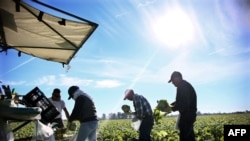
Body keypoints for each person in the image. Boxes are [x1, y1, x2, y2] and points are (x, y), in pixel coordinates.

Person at [168, 71, 197, 141]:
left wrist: (170, 108)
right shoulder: (184, 85)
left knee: (184, 137)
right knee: (190, 137)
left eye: (173, 80)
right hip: (189, 115)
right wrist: (169, 105)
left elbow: (183, 104)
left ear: (177, 78)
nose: (172, 83)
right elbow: (179, 101)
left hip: (187, 116)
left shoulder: (182, 86)